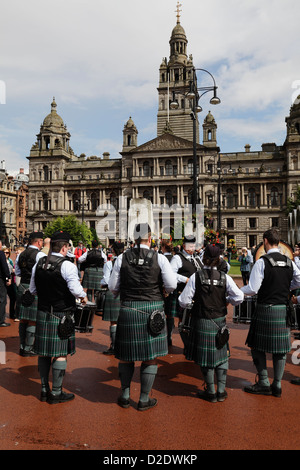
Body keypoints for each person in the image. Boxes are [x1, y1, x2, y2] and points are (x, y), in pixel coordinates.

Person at [108, 223, 177, 411]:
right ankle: (144, 399)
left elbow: (113, 287)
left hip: (129, 308)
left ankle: (124, 395)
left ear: (134, 237)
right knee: (150, 357)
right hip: (153, 309)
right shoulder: (160, 258)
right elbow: (171, 285)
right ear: (149, 237)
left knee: (125, 356)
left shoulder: (121, 258)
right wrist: (162, 290)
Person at [178, 244, 244, 402]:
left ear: (204, 257)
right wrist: (226, 300)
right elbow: (239, 297)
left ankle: (211, 391)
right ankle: (221, 390)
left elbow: (183, 301)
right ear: (219, 259)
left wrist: (194, 303)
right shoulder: (225, 277)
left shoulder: (196, 276)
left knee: (205, 358)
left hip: (202, 320)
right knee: (222, 356)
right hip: (219, 321)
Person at [29, 231, 88, 404]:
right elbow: (76, 291)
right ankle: (56, 392)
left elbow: (32, 290)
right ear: (64, 247)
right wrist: (83, 297)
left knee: (43, 354)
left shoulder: (38, 263)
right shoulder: (67, 265)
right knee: (61, 353)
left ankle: (44, 389)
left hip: (43, 312)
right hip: (62, 314)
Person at [241, 228, 300, 397]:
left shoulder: (262, 261)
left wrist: (237, 291)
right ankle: (278, 385)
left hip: (265, 308)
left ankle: (264, 382)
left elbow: (252, 289)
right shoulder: (290, 262)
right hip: (282, 309)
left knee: (256, 346)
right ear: (278, 242)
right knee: (280, 350)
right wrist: (284, 287)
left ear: (265, 241)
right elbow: (298, 280)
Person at [169, 235, 202, 348]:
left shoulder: (196, 258)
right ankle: (187, 345)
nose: (192, 249)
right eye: (190, 246)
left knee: (195, 319)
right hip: (182, 293)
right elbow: (171, 274)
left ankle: (193, 343)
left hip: (196, 294)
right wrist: (186, 280)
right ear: (184, 246)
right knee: (184, 319)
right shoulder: (178, 258)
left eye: (193, 246)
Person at [15, 231, 44, 356]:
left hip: (22, 287)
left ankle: (22, 346)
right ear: (39, 242)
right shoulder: (40, 255)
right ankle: (29, 348)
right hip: (34, 288)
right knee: (32, 320)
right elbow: (42, 273)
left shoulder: (20, 255)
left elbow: (17, 272)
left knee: (23, 319)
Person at [101, 241, 124, 355]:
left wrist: (102, 284)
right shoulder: (127, 261)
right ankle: (123, 346)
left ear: (113, 250)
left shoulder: (109, 263)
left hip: (112, 291)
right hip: (125, 293)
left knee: (113, 322)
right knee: (124, 321)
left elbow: (106, 280)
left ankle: (114, 346)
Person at [160, 239, 174, 345]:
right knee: (170, 315)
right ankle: (169, 336)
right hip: (172, 290)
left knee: (161, 313)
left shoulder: (161, 258)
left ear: (164, 248)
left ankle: (162, 335)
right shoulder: (175, 258)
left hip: (162, 289)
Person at [2, 247, 16, 320]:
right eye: (4, 252)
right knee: (3, 299)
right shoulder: (2, 261)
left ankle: (12, 313)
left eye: (7, 253)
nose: (5, 254)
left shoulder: (10, 260)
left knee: (13, 297)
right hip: (4, 281)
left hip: (10, 281)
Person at [0, 240, 11, 327]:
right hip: (1, 280)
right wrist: (8, 277)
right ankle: (1, 320)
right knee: (2, 299)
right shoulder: (1, 254)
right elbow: (4, 267)